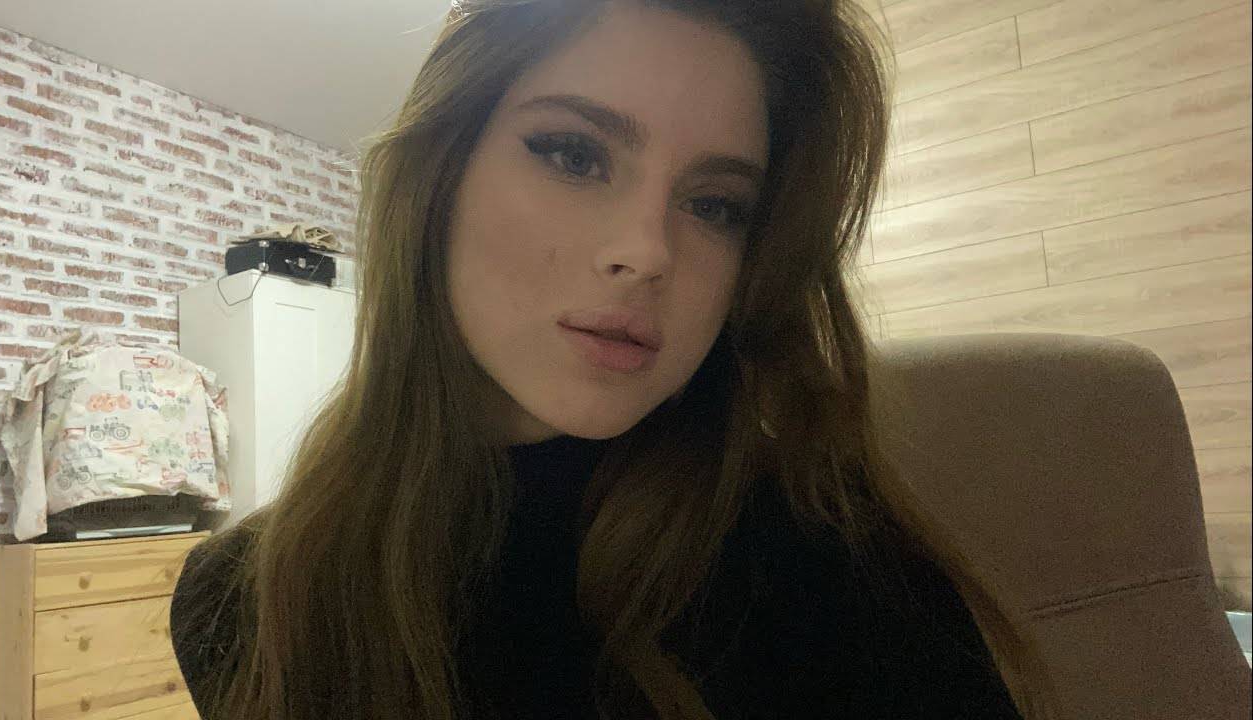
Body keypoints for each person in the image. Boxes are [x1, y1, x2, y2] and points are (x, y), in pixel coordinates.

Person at [170, 1, 1059, 718]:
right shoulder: (245, 600)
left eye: (715, 205)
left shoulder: (825, 562)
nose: (648, 251)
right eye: (573, 154)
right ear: (438, 178)